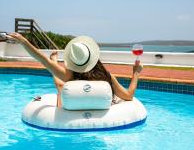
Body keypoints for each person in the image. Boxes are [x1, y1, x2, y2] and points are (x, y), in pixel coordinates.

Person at [8, 33, 143, 107]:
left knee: (60, 85)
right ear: (92, 57)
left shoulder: (70, 76)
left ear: (73, 61)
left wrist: (24, 42)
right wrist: (136, 73)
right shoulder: (106, 76)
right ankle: (55, 62)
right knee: (61, 82)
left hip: (67, 108)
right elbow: (129, 96)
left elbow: (43, 60)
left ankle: (55, 61)